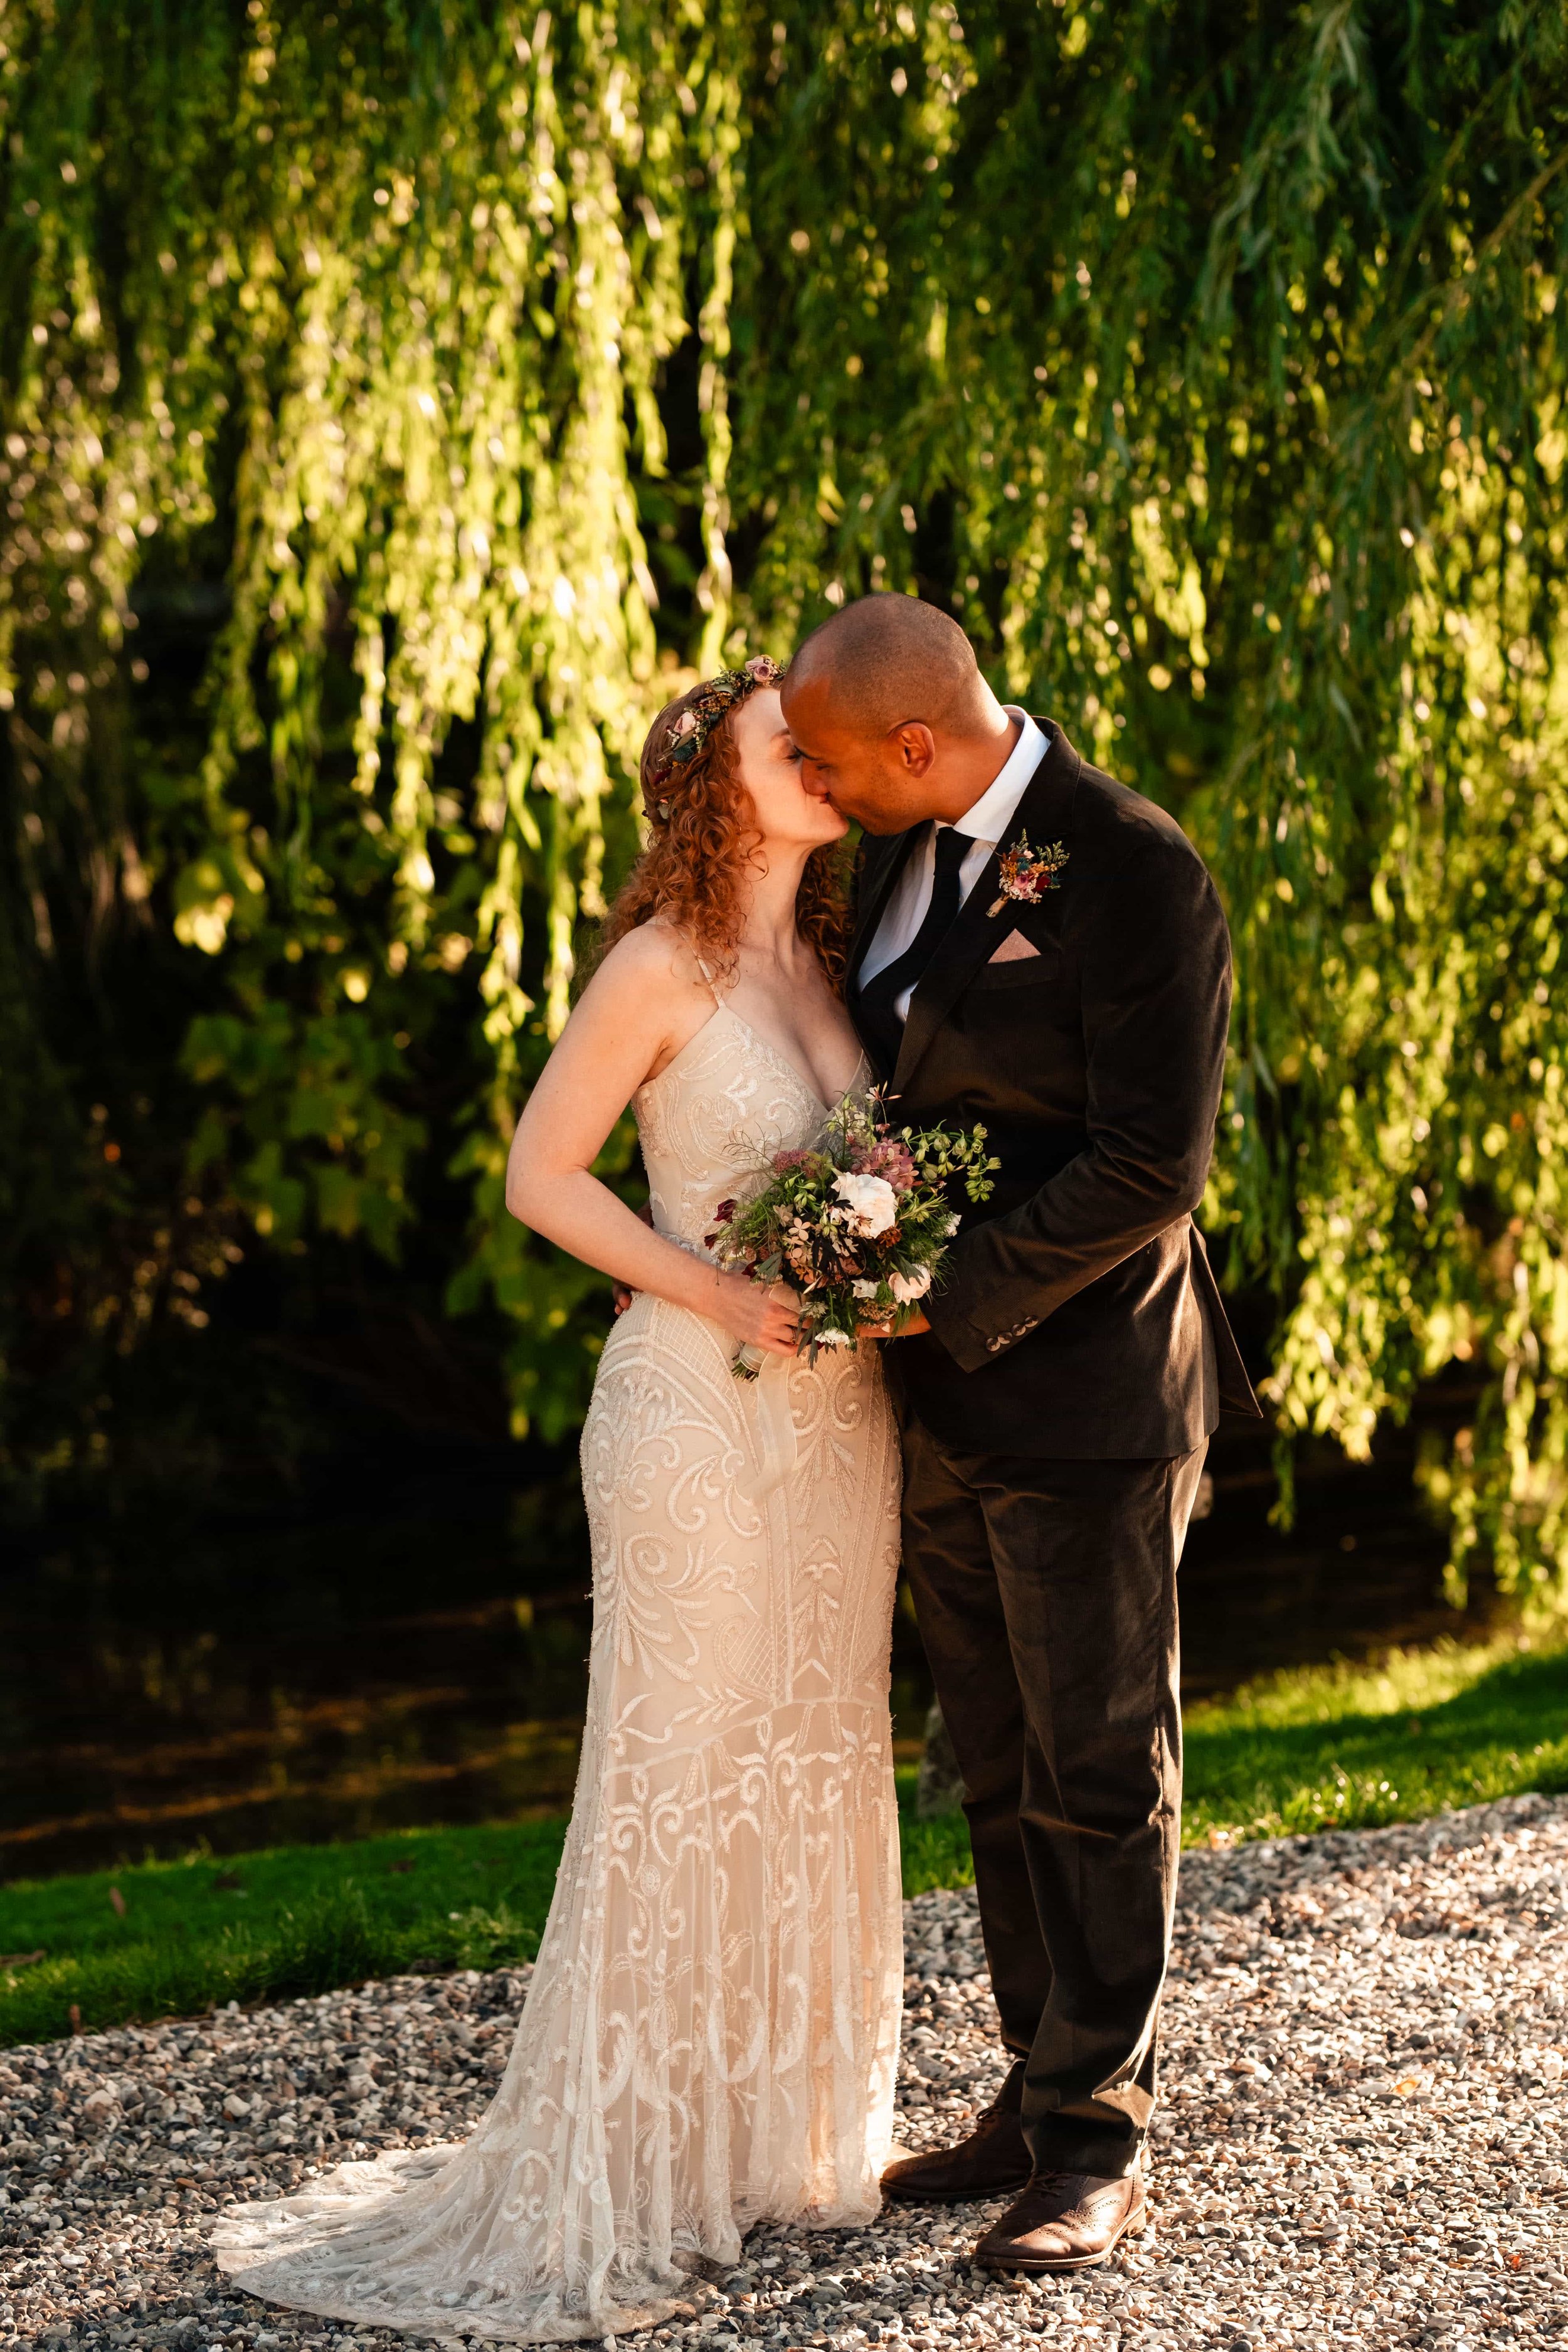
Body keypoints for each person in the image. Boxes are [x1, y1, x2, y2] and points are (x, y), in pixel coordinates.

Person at [213, 657, 905, 2341]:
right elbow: (541, 1173)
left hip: (840, 1424)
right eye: (783, 744)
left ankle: (768, 2146)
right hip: (691, 1412)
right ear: (717, 783)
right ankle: (627, 2170)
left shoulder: (829, 961)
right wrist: (717, 1291)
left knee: (814, 1748)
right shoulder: (655, 966)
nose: (817, 763)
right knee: (684, 1768)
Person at [780, 594, 1260, 2274]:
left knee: (1095, 1770)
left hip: (1088, 1399)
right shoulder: (883, 864)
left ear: (916, 743)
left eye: (832, 762)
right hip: (939, 1401)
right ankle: (1029, 2085)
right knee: (991, 1760)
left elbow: (1151, 1165)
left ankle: (1094, 2141)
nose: (815, 790)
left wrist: (944, 1291)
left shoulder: (1131, 868)